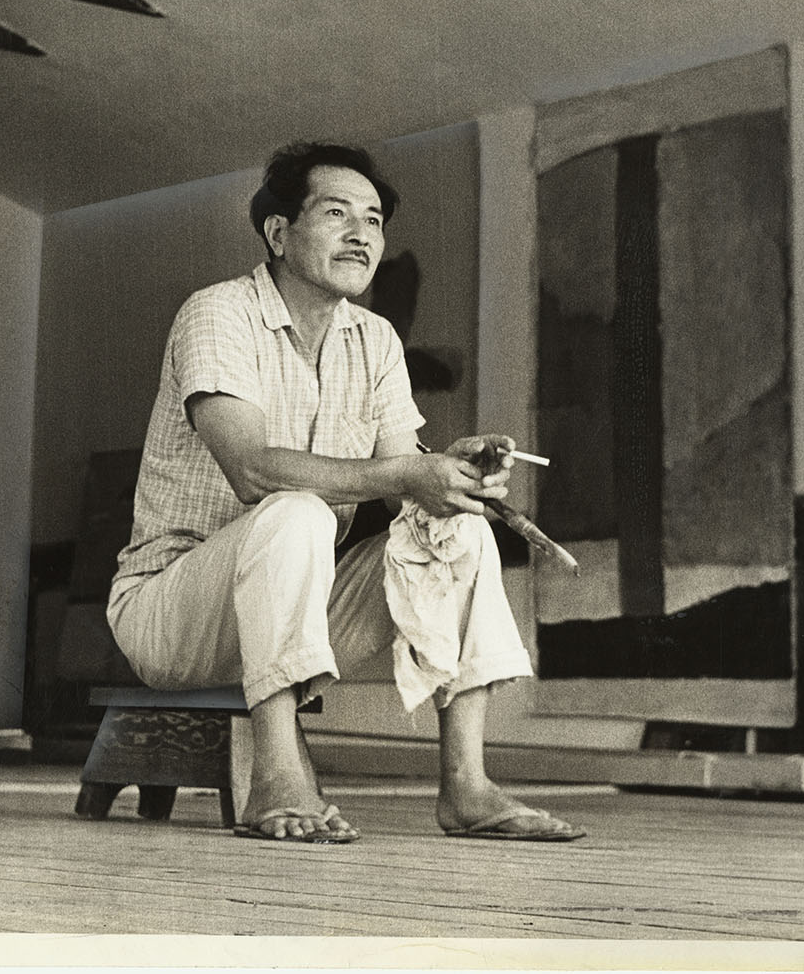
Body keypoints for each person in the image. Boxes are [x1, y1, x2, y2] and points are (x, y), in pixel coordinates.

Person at [106, 142, 585, 844]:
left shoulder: (374, 338)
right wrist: (406, 475)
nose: (362, 235)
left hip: (293, 605)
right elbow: (252, 470)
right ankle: (277, 777)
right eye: (337, 214)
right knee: (294, 510)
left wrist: (448, 475)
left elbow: (401, 485)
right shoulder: (218, 312)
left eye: (374, 221)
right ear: (278, 232)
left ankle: (467, 786)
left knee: (458, 529)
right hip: (171, 612)